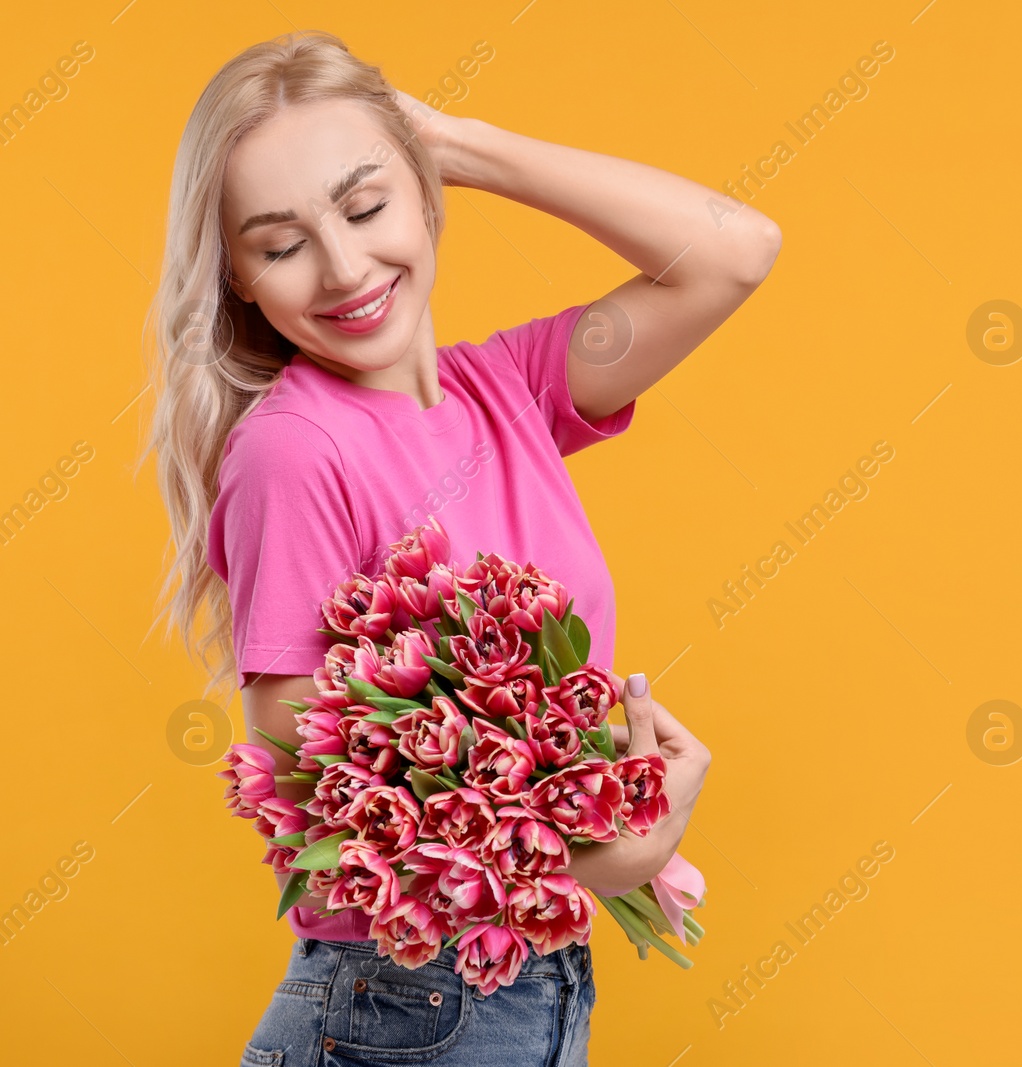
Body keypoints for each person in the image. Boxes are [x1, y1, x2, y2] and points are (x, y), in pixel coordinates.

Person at [138, 29, 776, 1067]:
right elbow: (291, 720)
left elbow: (733, 250)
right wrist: (584, 842)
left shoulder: (509, 390)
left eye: (365, 203)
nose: (345, 267)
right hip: (404, 1008)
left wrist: (460, 144)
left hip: (518, 987)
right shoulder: (296, 448)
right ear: (239, 279)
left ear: (425, 194)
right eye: (279, 242)